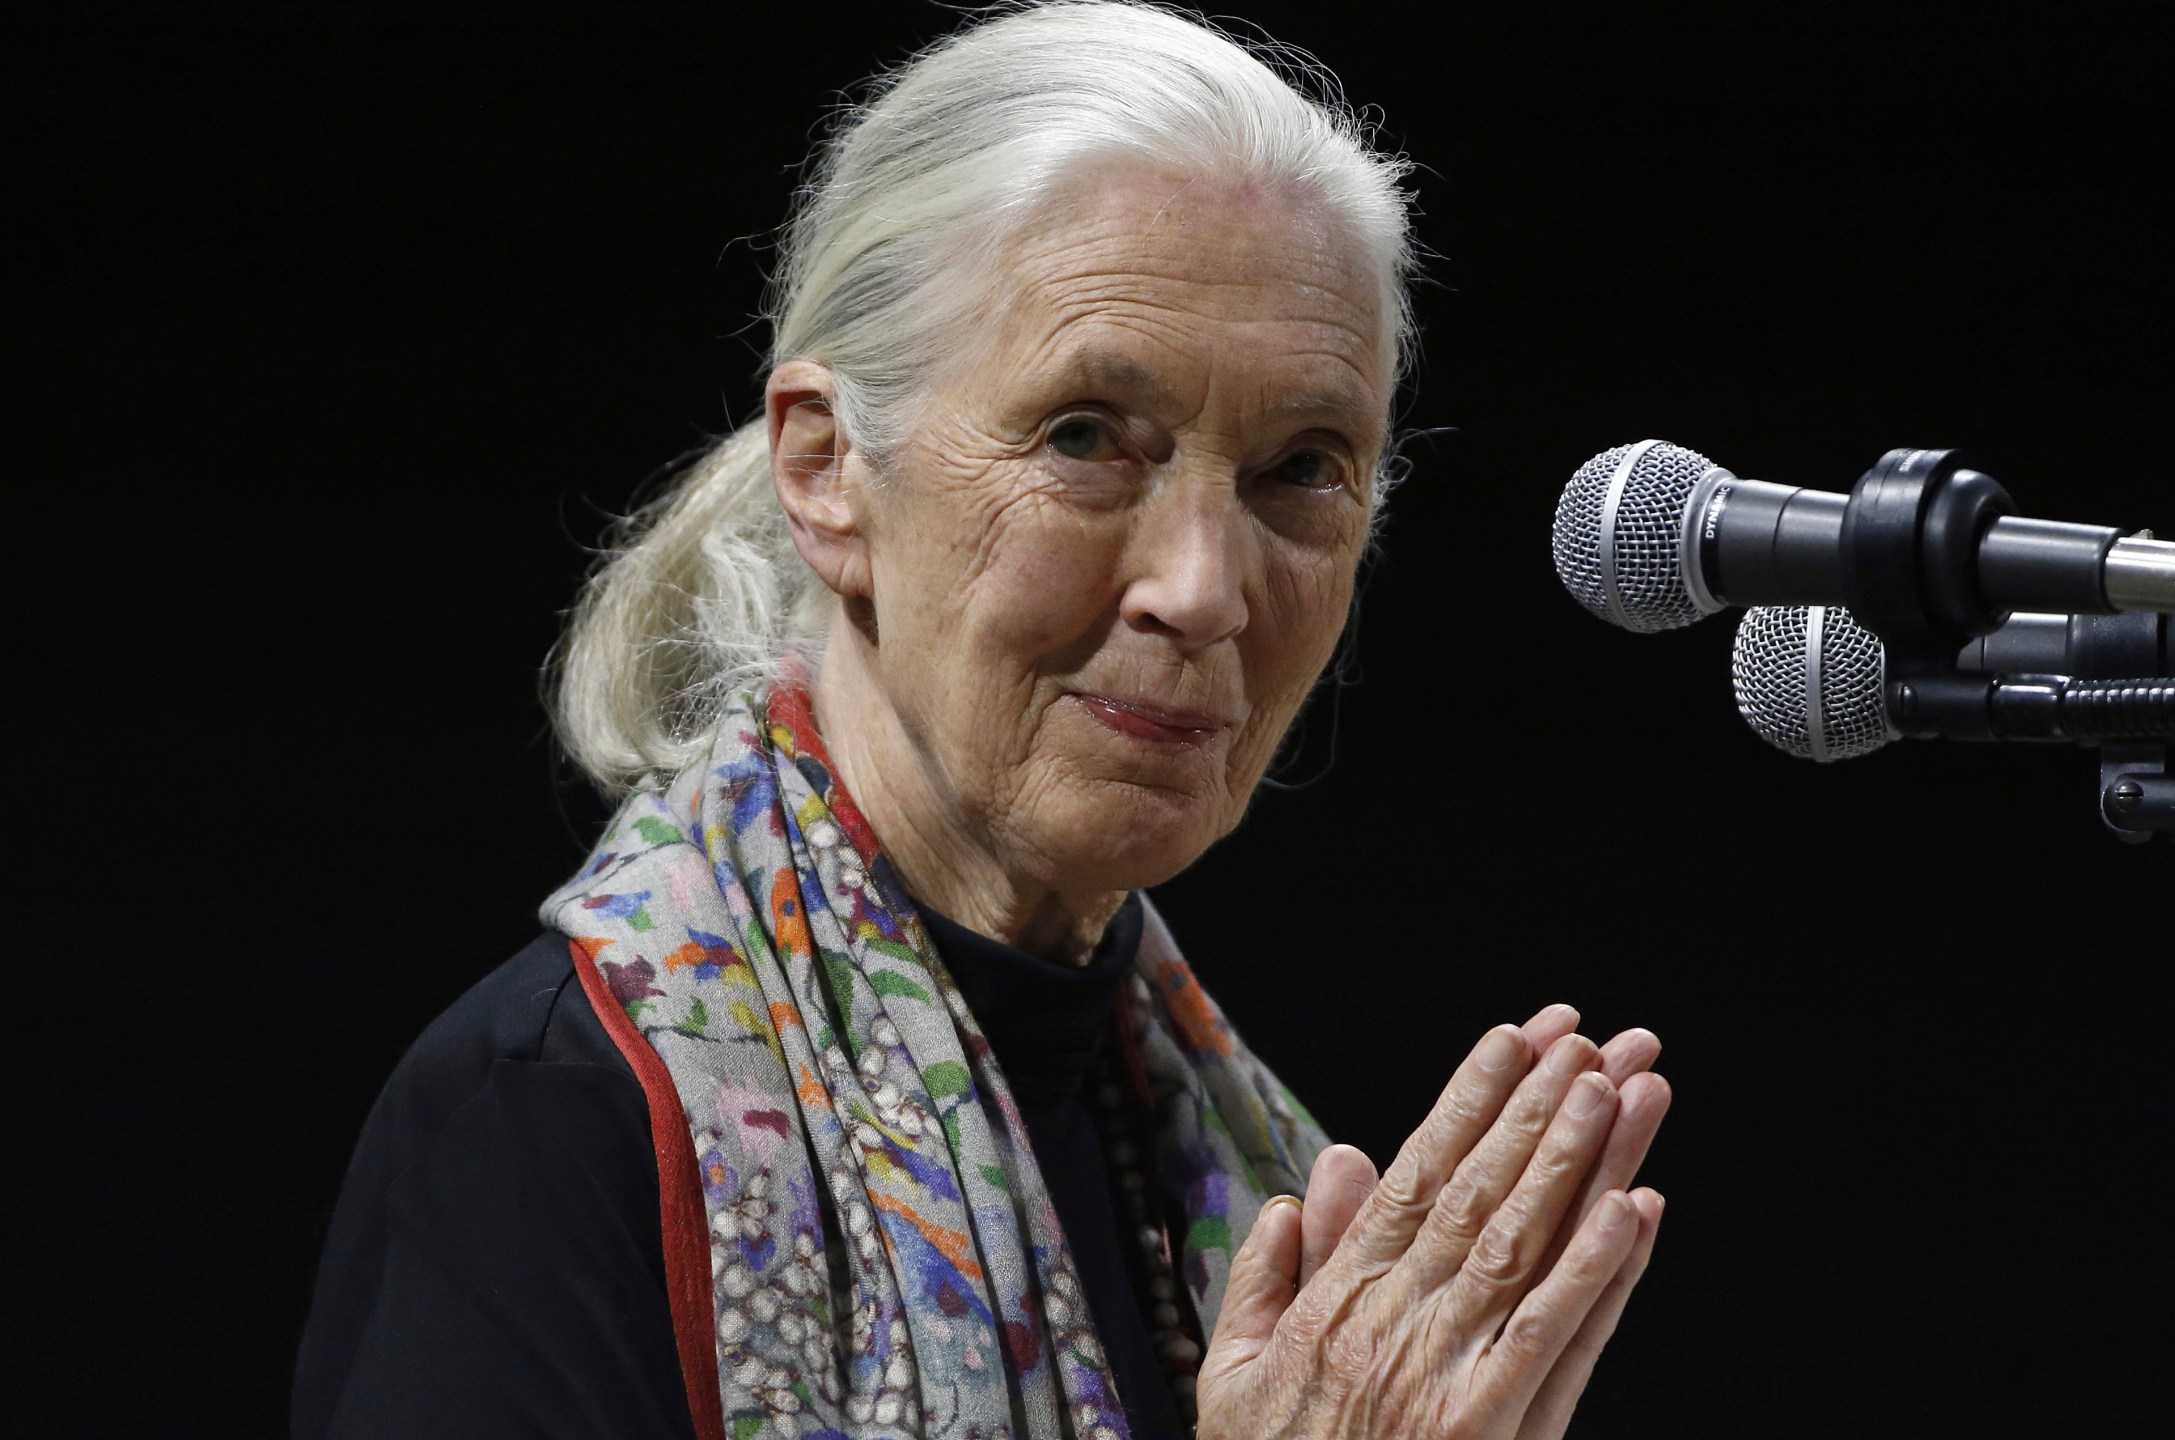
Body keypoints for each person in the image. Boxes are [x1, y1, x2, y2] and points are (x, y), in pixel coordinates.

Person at [293, 5, 1671, 1438]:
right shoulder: (549, 1124)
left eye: (1300, 468)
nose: (1203, 589)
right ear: (828, 471)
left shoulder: (1245, 1169)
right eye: (1085, 437)